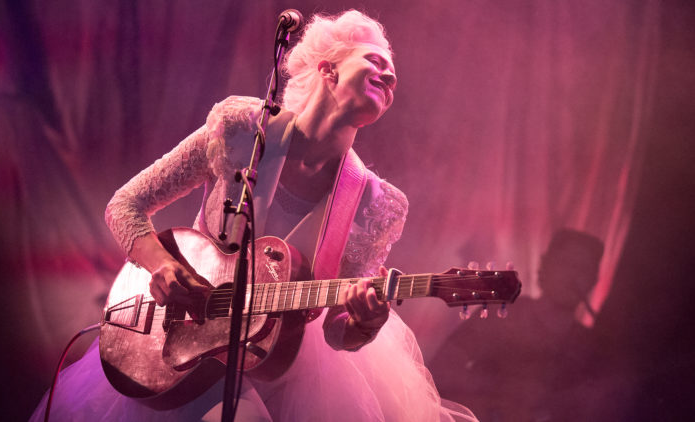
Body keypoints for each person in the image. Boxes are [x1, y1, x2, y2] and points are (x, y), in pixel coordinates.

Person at [30, 10, 476, 422]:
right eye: (375, 60)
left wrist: (364, 323)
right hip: (183, 339)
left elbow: (339, 333)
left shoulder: (376, 204)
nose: (391, 74)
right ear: (328, 68)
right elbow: (125, 205)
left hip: (290, 370)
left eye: (393, 74)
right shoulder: (241, 129)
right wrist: (162, 266)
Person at [430, 229, 608, 421]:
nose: (573, 276)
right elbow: (440, 369)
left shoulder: (591, 347)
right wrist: (502, 389)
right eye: (566, 263)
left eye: (583, 268)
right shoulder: (502, 313)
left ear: (593, 279)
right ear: (545, 265)